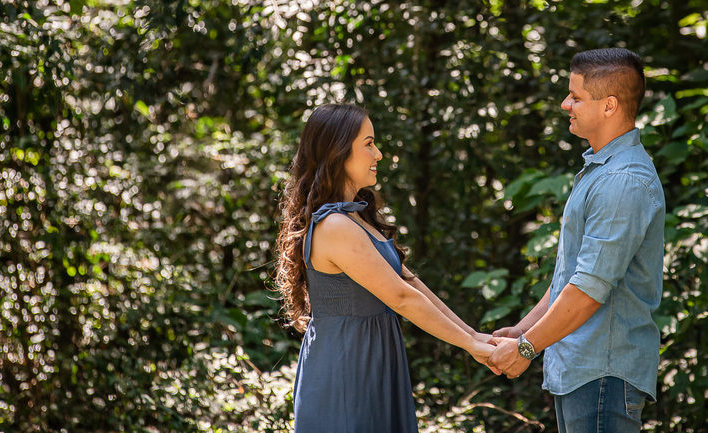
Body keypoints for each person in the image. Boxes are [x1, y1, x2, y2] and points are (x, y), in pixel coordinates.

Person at [274, 103, 497, 433]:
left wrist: (473, 336)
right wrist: (470, 345)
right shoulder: (335, 226)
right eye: (368, 144)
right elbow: (401, 298)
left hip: (373, 361)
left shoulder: (356, 218)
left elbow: (412, 284)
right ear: (338, 151)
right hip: (348, 368)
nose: (378, 154)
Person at [489, 48, 666, 433]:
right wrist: (523, 330)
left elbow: (588, 290)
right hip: (582, 370)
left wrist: (526, 348)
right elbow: (571, 277)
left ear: (609, 106)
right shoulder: (601, 170)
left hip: (602, 373)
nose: (565, 103)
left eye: (576, 96)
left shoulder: (623, 181)